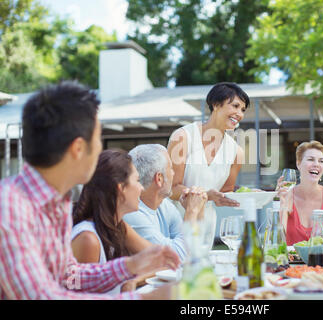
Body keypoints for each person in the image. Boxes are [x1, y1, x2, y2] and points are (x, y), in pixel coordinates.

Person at [0, 81, 180, 300]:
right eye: (97, 139)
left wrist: (131, 265)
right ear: (77, 148)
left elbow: (70, 277)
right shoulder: (10, 208)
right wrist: (144, 298)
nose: (99, 148)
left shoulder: (56, 203)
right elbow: (43, 296)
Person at [167, 82, 249, 249]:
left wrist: (255, 194)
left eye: (243, 110)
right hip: (176, 222)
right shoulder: (183, 137)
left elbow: (226, 192)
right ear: (216, 104)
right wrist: (207, 195)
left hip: (206, 224)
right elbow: (171, 188)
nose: (239, 114)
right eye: (235, 106)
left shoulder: (236, 152)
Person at [71, 149, 155, 293]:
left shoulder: (118, 227)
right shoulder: (88, 239)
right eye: (137, 180)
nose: (141, 188)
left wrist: (133, 280)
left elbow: (160, 260)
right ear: (121, 188)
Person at [124, 144, 208, 262]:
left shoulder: (164, 205)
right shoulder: (131, 213)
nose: (173, 174)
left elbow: (194, 248)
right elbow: (177, 256)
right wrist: (191, 212)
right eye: (171, 168)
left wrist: (199, 210)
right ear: (159, 178)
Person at [277, 140, 323, 246]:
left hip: (322, 260)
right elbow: (278, 239)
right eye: (310, 159)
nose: (316, 164)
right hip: (291, 261)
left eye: (321, 161)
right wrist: (282, 203)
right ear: (298, 164)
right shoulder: (287, 195)